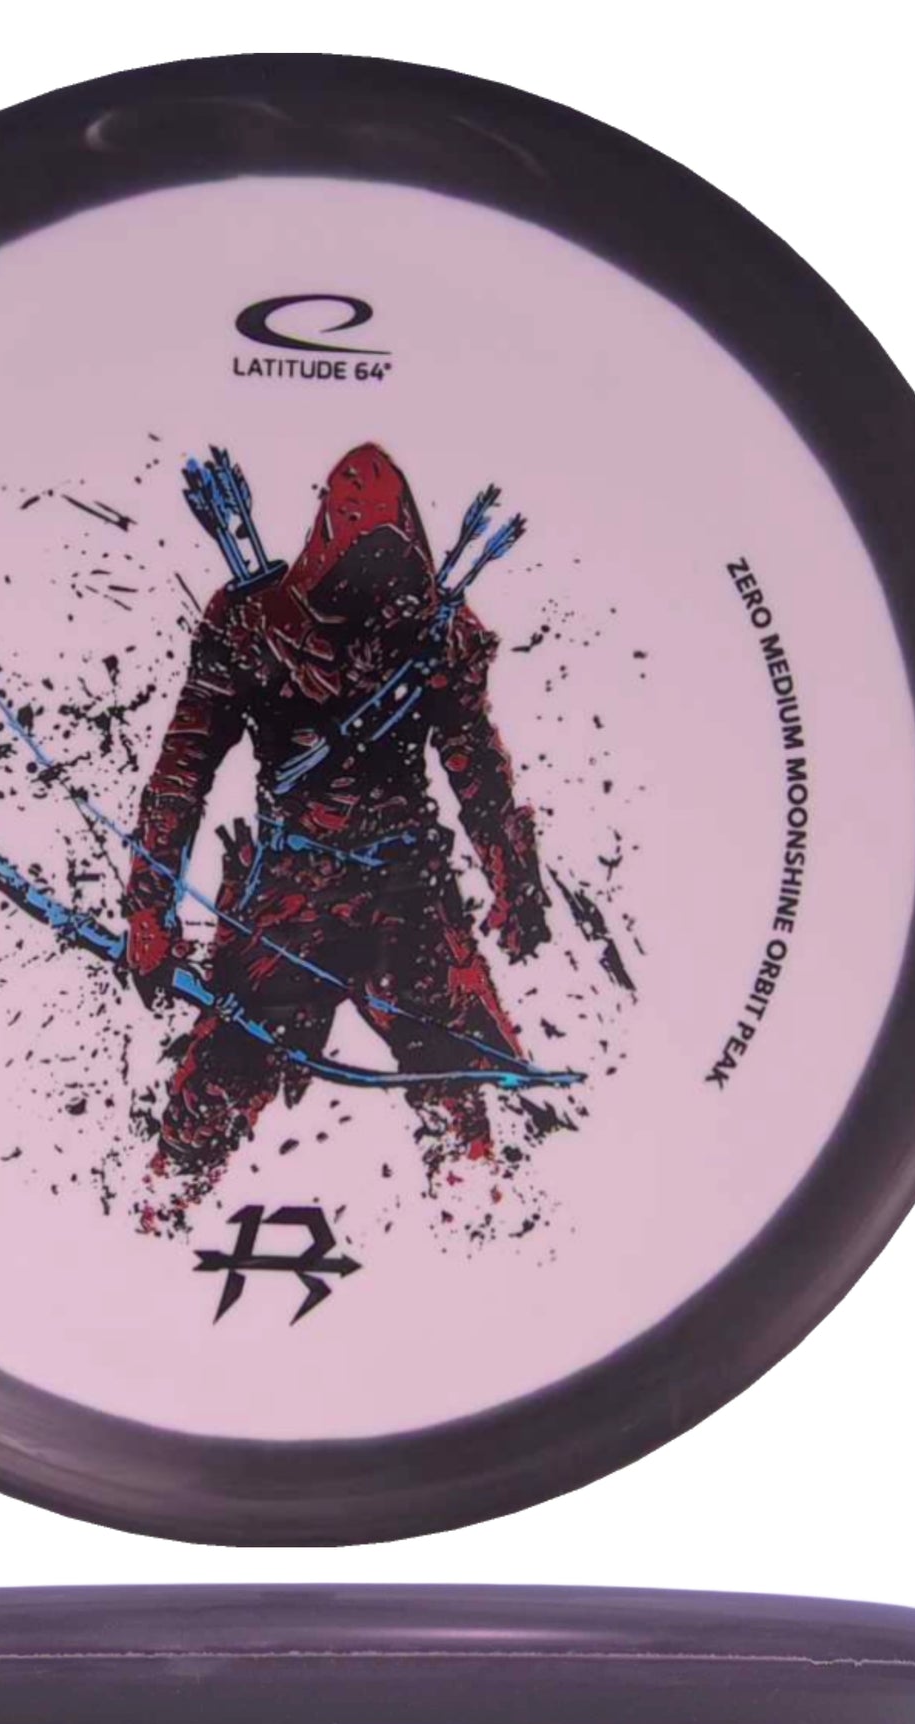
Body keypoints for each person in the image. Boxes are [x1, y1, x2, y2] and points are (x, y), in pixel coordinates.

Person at [127, 443, 551, 1225]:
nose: (372, 583)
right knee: (211, 1095)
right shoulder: (251, 623)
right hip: (292, 902)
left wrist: (515, 882)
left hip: (408, 898)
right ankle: (149, 1228)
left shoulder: (438, 634)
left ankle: (487, 1244)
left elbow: (481, 777)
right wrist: (147, 910)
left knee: (457, 1109)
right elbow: (182, 774)